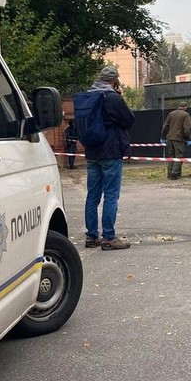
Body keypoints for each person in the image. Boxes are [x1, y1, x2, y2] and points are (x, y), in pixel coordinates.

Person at [83, 65, 135, 251]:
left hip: (92, 152)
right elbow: (129, 120)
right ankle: (109, 237)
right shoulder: (113, 98)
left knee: (92, 195)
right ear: (115, 80)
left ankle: (91, 236)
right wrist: (120, 96)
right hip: (110, 152)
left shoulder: (88, 96)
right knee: (111, 195)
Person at [161, 101, 191, 180]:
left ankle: (170, 174)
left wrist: (163, 136)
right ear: (185, 107)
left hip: (169, 139)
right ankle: (175, 174)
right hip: (178, 139)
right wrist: (189, 139)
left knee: (171, 157)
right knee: (179, 157)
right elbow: (186, 129)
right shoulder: (186, 115)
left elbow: (165, 126)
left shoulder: (171, 114)